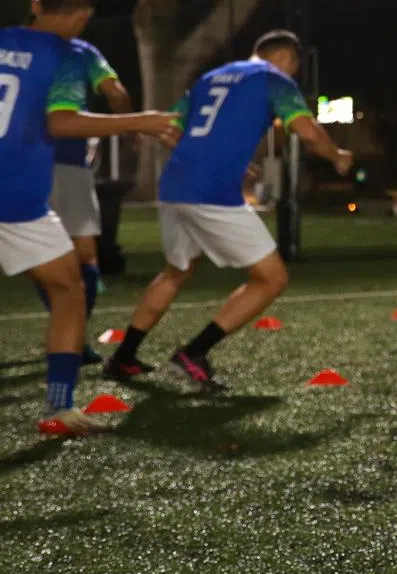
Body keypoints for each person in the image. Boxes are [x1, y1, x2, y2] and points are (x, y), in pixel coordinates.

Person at [104, 31, 353, 391]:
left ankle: (123, 356)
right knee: (272, 278)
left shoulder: (211, 77)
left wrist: (207, 157)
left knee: (177, 271)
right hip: (211, 191)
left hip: (175, 185)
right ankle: (193, 353)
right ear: (286, 59)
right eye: (294, 67)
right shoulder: (274, 79)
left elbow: (169, 129)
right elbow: (309, 133)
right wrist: (338, 156)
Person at [0, 0, 178, 435]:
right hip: (15, 197)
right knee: (69, 289)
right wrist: (137, 121)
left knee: (69, 283)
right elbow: (61, 122)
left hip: (23, 193)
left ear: (37, 5)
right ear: (83, 15)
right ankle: (58, 409)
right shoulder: (69, 55)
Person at [37, 30, 134, 365]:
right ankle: (72, 335)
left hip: (20, 164)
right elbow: (116, 93)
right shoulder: (80, 52)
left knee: (41, 255)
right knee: (84, 258)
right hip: (65, 161)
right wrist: (129, 126)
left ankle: (66, 332)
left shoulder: (13, 49)